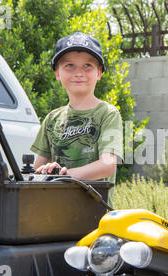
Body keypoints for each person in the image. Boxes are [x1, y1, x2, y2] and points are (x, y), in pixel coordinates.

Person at [30, 32, 123, 205]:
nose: (78, 73)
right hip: (54, 212)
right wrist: (45, 172)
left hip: (94, 213)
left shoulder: (108, 114)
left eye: (87, 65)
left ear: (99, 73)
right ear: (57, 73)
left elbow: (107, 165)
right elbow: (37, 171)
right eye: (69, 65)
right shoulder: (52, 119)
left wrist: (64, 176)